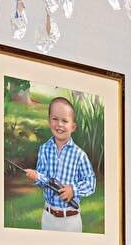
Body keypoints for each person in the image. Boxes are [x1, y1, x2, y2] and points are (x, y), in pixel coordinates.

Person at [24, 95, 96, 233]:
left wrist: (73, 190)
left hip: (71, 220)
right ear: (49, 121)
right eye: (55, 119)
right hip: (48, 217)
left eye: (65, 120)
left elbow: (90, 182)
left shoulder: (79, 155)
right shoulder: (44, 149)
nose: (59, 124)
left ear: (73, 126)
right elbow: (44, 181)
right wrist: (37, 176)